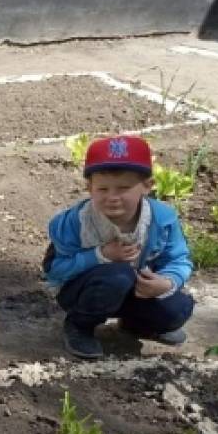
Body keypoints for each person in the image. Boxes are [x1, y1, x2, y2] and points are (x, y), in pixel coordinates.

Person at [45, 135, 193, 360]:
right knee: (118, 275)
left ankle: (136, 324)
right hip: (84, 292)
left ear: (147, 186)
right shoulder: (75, 223)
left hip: (136, 291)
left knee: (178, 309)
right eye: (103, 189)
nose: (112, 197)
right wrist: (100, 255)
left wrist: (167, 281)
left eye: (123, 188)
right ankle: (79, 326)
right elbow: (55, 271)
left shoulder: (161, 219)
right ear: (89, 187)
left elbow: (179, 260)